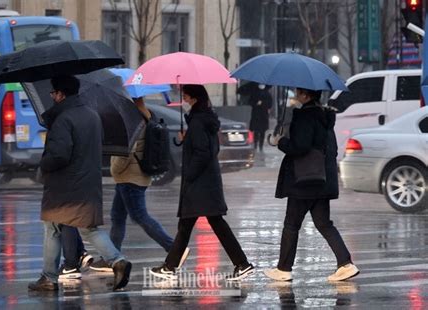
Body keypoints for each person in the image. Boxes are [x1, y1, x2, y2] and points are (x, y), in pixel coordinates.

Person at [28, 75, 132, 292]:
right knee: (89, 228)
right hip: (88, 182)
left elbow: (59, 155)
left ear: (60, 94)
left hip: (64, 186)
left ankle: (48, 277)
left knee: (53, 227)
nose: (52, 97)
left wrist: (43, 163)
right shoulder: (92, 115)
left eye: (53, 93)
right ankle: (117, 260)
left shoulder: (63, 118)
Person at [149, 85, 255, 281]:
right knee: (192, 224)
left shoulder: (198, 122)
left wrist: (189, 174)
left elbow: (203, 152)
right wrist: (185, 139)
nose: (185, 99)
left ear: (194, 98)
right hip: (206, 183)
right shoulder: (205, 120)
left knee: (196, 224)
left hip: (200, 183)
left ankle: (241, 264)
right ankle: (171, 266)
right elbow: (206, 147)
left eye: (186, 96)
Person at [265, 87, 359, 282]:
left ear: (306, 95)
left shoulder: (306, 117)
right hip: (321, 179)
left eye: (299, 92)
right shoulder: (325, 117)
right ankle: (345, 263)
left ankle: (283, 269)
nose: (296, 94)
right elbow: (329, 150)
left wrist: (280, 141)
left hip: (304, 181)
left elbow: (300, 147)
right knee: (324, 224)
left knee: (291, 224)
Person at [90, 97, 189, 271]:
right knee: (118, 217)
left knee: (140, 216)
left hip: (129, 177)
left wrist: (115, 170)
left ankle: (175, 249)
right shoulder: (147, 116)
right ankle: (112, 256)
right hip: (133, 176)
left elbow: (126, 152)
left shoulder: (132, 121)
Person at [249, 84, 272, 152]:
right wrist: (256, 103)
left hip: (263, 115)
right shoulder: (254, 93)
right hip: (256, 114)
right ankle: (255, 144)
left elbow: (270, 104)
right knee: (256, 131)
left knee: (262, 131)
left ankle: (260, 146)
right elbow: (250, 102)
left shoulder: (267, 94)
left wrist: (263, 103)